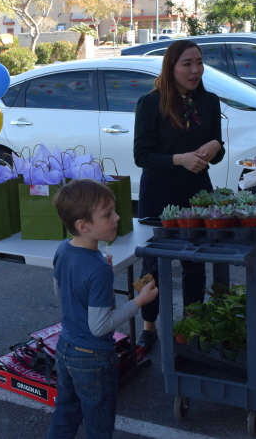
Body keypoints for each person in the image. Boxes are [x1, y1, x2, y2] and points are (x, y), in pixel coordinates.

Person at [132, 40, 225, 352]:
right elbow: (141, 156)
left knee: (195, 263)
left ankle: (190, 326)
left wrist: (215, 145)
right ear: (170, 67)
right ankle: (148, 325)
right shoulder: (150, 103)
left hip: (197, 195)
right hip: (158, 195)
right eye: (187, 64)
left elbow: (217, 153)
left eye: (199, 62)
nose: (196, 70)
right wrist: (179, 159)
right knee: (150, 265)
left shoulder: (209, 101)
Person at [47, 179, 158, 439]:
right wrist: (139, 301)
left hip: (65, 349)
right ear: (83, 225)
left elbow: (60, 290)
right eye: (108, 214)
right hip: (93, 358)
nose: (117, 217)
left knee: (65, 413)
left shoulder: (63, 248)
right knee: (99, 425)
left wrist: (98, 275)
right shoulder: (98, 269)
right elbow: (100, 326)